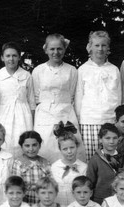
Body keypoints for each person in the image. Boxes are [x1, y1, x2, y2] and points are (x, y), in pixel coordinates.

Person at [32, 33, 86, 163]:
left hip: (65, 113)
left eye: (59, 49)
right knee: (45, 146)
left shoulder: (72, 70)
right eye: (52, 49)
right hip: (44, 114)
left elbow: (73, 94)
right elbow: (35, 95)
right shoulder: (38, 70)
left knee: (67, 145)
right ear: (46, 50)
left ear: (64, 49)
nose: (56, 52)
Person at [75, 31, 121, 162]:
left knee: (111, 159)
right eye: (96, 45)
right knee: (91, 160)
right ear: (90, 47)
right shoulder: (82, 70)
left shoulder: (114, 69)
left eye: (103, 45)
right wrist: (79, 120)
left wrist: (117, 120)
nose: (100, 49)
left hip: (110, 120)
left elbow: (119, 96)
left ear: (108, 48)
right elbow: (79, 97)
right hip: (89, 121)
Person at [0, 41, 35, 156]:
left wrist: (32, 120)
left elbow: (31, 102)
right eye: (8, 56)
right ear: (2, 58)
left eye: (14, 55)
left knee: (23, 143)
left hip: (23, 115)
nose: (11, 59)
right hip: (3, 114)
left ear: (19, 57)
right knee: (6, 144)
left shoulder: (26, 76)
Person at [11, 131, 51, 205]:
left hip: (43, 203)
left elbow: (50, 184)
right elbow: (16, 186)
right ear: (21, 147)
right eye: (27, 146)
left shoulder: (45, 163)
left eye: (34, 145)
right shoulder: (18, 163)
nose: (31, 149)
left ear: (39, 145)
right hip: (25, 203)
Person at [87, 123, 123, 204]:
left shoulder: (123, 157)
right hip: (100, 201)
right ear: (100, 139)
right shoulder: (95, 160)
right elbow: (90, 184)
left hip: (120, 200)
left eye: (115, 138)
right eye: (107, 138)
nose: (111, 141)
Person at [50, 129, 88, 207]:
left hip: (77, 206)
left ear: (76, 147)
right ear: (60, 149)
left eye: (72, 147)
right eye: (65, 149)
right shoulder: (54, 167)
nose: (69, 151)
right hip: (59, 206)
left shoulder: (84, 167)